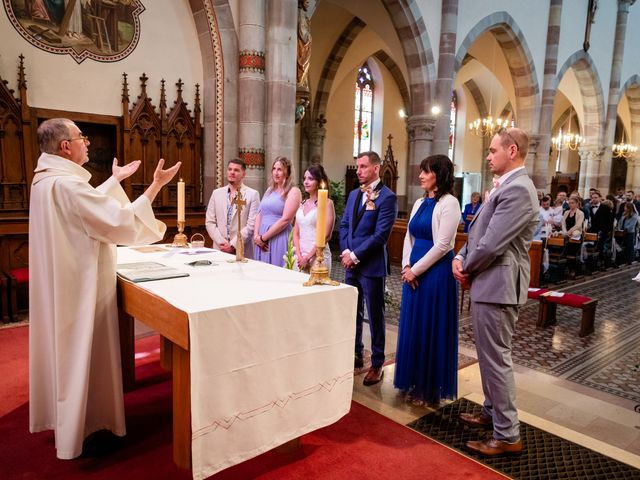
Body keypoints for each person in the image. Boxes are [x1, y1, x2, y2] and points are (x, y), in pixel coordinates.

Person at [29, 118, 181, 460]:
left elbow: (89, 209)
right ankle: (90, 427)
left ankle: (69, 421)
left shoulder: (48, 181)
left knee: (67, 355)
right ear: (65, 146)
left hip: (63, 286)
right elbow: (118, 223)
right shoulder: (67, 185)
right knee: (86, 353)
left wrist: (115, 180)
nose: (86, 143)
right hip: (79, 291)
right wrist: (155, 186)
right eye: (81, 137)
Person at [452, 127, 538, 457]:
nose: (487, 157)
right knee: (488, 358)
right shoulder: (504, 187)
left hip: (499, 286)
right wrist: (461, 258)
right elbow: (478, 233)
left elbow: (491, 243)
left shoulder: (518, 190)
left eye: (492, 151)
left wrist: (467, 267)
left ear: (512, 150)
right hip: (489, 282)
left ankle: (507, 434)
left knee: (497, 360)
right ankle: (491, 414)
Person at [394, 155, 460, 405]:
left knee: (430, 327)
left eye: (426, 171)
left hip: (435, 273)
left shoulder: (449, 203)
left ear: (439, 175)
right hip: (414, 269)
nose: (420, 175)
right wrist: (406, 266)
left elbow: (444, 244)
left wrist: (416, 270)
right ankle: (411, 379)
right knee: (414, 326)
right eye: (421, 171)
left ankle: (428, 386)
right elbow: (408, 237)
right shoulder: (420, 202)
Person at [339, 151, 397, 386]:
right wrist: (344, 251)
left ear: (376, 168)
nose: (359, 170)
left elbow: (381, 235)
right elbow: (344, 225)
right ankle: (355, 353)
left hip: (371, 264)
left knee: (375, 315)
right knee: (352, 310)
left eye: (363, 166)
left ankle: (377, 363)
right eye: (357, 166)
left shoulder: (387, 197)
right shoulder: (354, 194)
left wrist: (355, 254)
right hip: (349, 263)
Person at [205, 158, 260, 258]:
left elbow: (251, 225)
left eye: (236, 170)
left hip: (242, 251)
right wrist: (221, 243)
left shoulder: (252, 195)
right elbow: (210, 222)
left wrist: (233, 245)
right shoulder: (216, 193)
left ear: (244, 174)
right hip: (220, 249)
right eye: (230, 169)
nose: (232, 172)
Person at [253, 156, 302, 266]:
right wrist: (256, 236)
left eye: (279, 169)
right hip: (261, 239)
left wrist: (263, 238)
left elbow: (285, 220)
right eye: (274, 169)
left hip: (279, 237)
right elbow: (260, 213)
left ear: (287, 172)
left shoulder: (293, 191)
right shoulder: (270, 190)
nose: (276, 173)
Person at [293, 164, 335, 273]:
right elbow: (296, 233)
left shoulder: (327, 203)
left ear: (319, 182)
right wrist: (299, 255)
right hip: (300, 256)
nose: (306, 182)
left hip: (318, 256)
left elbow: (326, 235)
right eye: (305, 178)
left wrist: (308, 257)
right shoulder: (302, 203)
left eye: (310, 179)